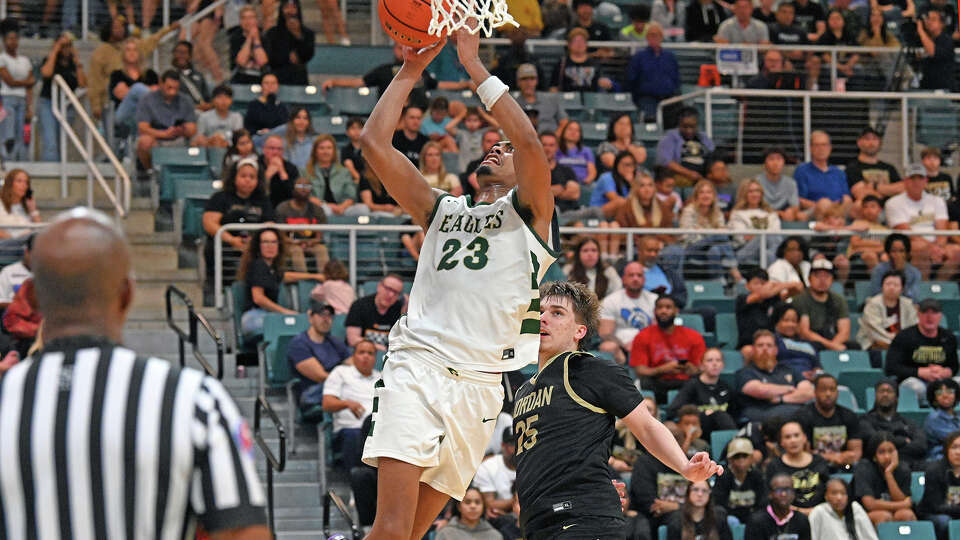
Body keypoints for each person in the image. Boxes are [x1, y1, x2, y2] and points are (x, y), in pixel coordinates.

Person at [355, 27, 561, 540]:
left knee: (413, 533)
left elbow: (532, 144)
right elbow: (374, 144)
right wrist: (409, 71)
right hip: (418, 365)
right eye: (494, 144)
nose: (498, 147)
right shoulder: (439, 208)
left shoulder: (532, 216)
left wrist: (475, 69)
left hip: (482, 386)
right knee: (391, 527)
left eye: (506, 149)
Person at [0, 209, 270, 538]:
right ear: (127, 294)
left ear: (36, 298)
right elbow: (244, 532)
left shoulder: (7, 400)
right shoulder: (193, 400)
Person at [518, 281, 722, 538]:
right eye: (540, 311)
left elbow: (646, 426)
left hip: (581, 521)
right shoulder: (523, 390)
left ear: (579, 331)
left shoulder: (590, 369)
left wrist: (684, 466)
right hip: (538, 523)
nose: (543, 318)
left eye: (557, 313)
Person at [236, 227, 324, 339]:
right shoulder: (259, 265)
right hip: (255, 317)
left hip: (267, 316)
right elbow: (258, 298)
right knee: (296, 325)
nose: (270, 246)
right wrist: (285, 312)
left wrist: (315, 276)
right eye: (265, 242)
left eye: (274, 242)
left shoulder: (271, 268)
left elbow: (285, 276)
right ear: (258, 246)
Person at [202, 157, 275, 291]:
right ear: (234, 177)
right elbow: (209, 223)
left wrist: (254, 241)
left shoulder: (263, 201)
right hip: (226, 245)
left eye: (252, 177)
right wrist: (231, 240)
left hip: (255, 245)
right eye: (243, 176)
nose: (247, 180)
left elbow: (269, 224)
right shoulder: (220, 198)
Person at [885, 163, 960, 281]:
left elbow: (942, 230)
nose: (916, 182)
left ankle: (939, 285)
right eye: (912, 178)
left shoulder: (937, 200)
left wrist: (938, 247)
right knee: (921, 249)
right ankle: (921, 289)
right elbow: (906, 233)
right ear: (905, 181)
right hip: (910, 243)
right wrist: (932, 248)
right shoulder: (893, 203)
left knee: (957, 251)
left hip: (936, 243)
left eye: (920, 178)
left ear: (926, 180)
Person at [631, 294, 707, 404]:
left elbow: (701, 369)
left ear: (676, 311)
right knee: (643, 382)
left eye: (668, 307)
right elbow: (640, 370)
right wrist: (662, 369)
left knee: (698, 381)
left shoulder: (693, 336)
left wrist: (690, 368)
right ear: (654, 311)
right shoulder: (643, 336)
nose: (663, 311)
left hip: (684, 382)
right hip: (657, 382)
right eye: (660, 307)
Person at [885, 298, 960, 404]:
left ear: (940, 316)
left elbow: (954, 366)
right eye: (925, 312)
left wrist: (946, 371)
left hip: (941, 381)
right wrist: (920, 372)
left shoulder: (948, 337)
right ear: (918, 315)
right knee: (917, 388)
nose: (929, 317)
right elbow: (891, 367)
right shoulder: (904, 336)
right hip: (913, 380)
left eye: (934, 313)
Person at [322, 338, 380, 471]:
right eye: (361, 352)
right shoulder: (340, 372)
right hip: (350, 429)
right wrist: (347, 404)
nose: (366, 356)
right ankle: (356, 483)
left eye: (370, 353)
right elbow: (327, 403)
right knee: (354, 436)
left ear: (375, 358)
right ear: (353, 356)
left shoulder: (382, 377)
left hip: (376, 430)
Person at [737, 330, 815, 422]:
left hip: (796, 415)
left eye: (769, 345)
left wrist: (781, 399)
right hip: (764, 416)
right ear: (753, 350)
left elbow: (809, 392)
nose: (765, 349)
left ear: (776, 350)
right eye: (760, 345)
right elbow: (760, 390)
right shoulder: (746, 372)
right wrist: (790, 389)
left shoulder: (789, 369)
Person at [677, 180, 741, 283]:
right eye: (702, 192)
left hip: (710, 249)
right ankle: (734, 269)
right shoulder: (689, 211)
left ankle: (718, 282)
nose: (705, 195)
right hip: (692, 248)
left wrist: (702, 231)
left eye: (709, 192)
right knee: (719, 236)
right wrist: (711, 235)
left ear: (713, 196)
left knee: (715, 250)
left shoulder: (717, 212)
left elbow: (721, 232)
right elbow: (687, 236)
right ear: (696, 196)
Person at [288, 299, 350, 404]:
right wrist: (350, 381)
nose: (326, 319)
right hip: (312, 391)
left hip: (337, 386)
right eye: (321, 314)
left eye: (329, 315)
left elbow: (354, 364)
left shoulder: (335, 342)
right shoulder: (299, 343)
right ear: (311, 318)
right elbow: (319, 376)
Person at [796, 374, 863, 470]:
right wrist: (832, 457)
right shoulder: (802, 416)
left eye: (832, 390)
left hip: (845, 465)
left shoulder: (849, 416)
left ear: (837, 392)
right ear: (815, 392)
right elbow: (804, 453)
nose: (828, 394)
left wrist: (839, 459)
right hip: (813, 467)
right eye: (823, 390)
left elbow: (856, 453)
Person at [666, 347, 738, 435]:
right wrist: (702, 414)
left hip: (721, 428)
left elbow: (735, 412)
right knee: (719, 415)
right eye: (709, 360)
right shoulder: (692, 385)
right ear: (701, 365)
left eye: (718, 360)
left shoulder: (726, 387)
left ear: (723, 365)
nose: (714, 364)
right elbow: (672, 411)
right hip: (700, 428)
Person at [135, 70, 197, 170]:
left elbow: (192, 128)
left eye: (176, 89)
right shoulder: (147, 100)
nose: (172, 92)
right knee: (144, 142)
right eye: (169, 88)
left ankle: (194, 173)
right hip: (156, 138)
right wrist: (164, 134)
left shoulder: (186, 100)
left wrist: (182, 130)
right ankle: (151, 171)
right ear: (161, 83)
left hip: (179, 138)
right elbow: (142, 128)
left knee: (200, 141)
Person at [859, 379, 928, 470]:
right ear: (875, 396)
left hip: (910, 465)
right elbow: (875, 441)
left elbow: (921, 445)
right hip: (877, 467)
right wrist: (903, 441)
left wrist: (889, 447)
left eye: (889, 391)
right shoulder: (865, 420)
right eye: (881, 391)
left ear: (897, 397)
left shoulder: (908, 423)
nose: (885, 394)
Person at [38, 32, 86, 162]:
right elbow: (46, 73)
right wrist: (55, 49)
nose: (65, 48)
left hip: (67, 106)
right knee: (51, 142)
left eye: (68, 45)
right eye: (63, 45)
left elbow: (82, 84)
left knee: (61, 143)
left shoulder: (73, 65)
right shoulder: (50, 60)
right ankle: (51, 171)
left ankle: (60, 171)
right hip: (48, 103)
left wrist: (77, 61)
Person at [765, 420, 831, 512]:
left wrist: (816, 512)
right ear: (781, 442)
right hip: (787, 516)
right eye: (788, 437)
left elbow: (828, 492)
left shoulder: (819, 461)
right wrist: (798, 512)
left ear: (804, 438)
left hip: (819, 515)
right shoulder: (774, 466)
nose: (793, 440)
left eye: (796, 435)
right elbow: (770, 498)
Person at [598, 262, 657, 363]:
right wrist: (623, 345)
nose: (635, 279)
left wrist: (639, 343)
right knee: (607, 346)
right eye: (631, 275)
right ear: (624, 279)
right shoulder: (611, 300)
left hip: (648, 345)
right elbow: (605, 333)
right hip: (621, 348)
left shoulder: (654, 300)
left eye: (639, 275)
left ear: (644, 279)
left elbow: (658, 330)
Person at [853, 431, 916, 526]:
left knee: (906, 514)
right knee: (883, 516)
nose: (887, 457)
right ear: (874, 455)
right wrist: (903, 504)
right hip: (863, 514)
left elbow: (900, 499)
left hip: (891, 511)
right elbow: (870, 504)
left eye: (891, 451)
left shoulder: (903, 469)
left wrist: (889, 474)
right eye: (881, 452)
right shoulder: (864, 468)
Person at [792, 258, 855, 352]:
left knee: (854, 346)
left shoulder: (838, 300)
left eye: (827, 276)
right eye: (817, 276)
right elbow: (804, 332)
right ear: (809, 279)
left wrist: (833, 345)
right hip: (812, 340)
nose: (822, 280)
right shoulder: (801, 299)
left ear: (832, 280)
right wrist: (830, 346)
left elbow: (844, 331)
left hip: (833, 338)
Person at [625, 22, 680, 119]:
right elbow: (631, 79)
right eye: (651, 35)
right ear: (647, 37)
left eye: (657, 35)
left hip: (668, 98)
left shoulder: (670, 57)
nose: (654, 37)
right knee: (650, 117)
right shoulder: (639, 57)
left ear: (662, 37)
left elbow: (676, 79)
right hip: (646, 98)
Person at [736, 268, 795, 357]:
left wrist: (778, 286)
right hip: (748, 344)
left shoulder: (772, 300)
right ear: (747, 286)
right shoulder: (742, 299)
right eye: (756, 283)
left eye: (763, 283)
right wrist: (776, 286)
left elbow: (797, 289)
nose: (760, 286)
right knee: (748, 351)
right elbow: (763, 294)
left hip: (771, 343)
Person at [793, 131, 852, 219]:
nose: (821, 148)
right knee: (824, 203)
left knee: (851, 202)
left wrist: (833, 207)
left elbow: (846, 197)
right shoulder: (802, 170)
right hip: (814, 210)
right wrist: (824, 205)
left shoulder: (839, 173)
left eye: (824, 145)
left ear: (830, 148)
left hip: (838, 210)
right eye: (817, 145)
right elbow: (800, 200)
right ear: (811, 148)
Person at [275, 179, 329, 273]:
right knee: (296, 251)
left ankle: (325, 280)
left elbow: (319, 237)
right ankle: (303, 282)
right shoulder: (283, 208)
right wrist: (295, 242)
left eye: (307, 187)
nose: (303, 189)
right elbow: (281, 236)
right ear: (293, 188)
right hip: (289, 244)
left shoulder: (317, 210)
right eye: (299, 186)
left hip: (311, 244)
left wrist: (309, 242)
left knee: (322, 249)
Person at [857, 270, 918, 351]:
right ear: (882, 286)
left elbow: (913, 327)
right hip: (876, 343)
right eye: (888, 284)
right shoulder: (872, 304)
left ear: (902, 289)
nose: (891, 288)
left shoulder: (908, 304)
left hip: (903, 344)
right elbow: (874, 331)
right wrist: (895, 342)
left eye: (896, 285)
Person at [344, 274, 405, 351]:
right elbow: (352, 340)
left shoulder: (399, 308)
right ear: (379, 286)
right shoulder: (359, 305)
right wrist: (379, 348)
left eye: (396, 292)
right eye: (388, 289)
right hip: (363, 354)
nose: (391, 295)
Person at [713, 438, 767, 526]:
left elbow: (763, 501)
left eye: (744, 456)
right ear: (730, 459)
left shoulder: (758, 476)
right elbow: (719, 502)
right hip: (730, 518)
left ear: (751, 458)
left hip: (753, 517)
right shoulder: (723, 476)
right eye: (737, 456)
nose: (741, 460)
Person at [656, 107, 715, 186]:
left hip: (703, 174)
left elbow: (713, 155)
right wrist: (689, 173)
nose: (689, 130)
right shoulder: (670, 137)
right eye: (685, 126)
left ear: (697, 125)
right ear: (679, 124)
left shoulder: (703, 137)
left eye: (692, 127)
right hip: (681, 174)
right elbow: (665, 161)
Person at [730, 179, 783, 266]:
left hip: (769, 251)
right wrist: (761, 236)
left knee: (768, 254)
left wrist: (754, 235)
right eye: (750, 191)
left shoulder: (771, 213)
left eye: (757, 191)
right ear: (744, 194)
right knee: (766, 236)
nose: (755, 194)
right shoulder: (737, 213)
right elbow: (741, 238)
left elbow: (777, 236)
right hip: (744, 252)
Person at [0, 20, 33, 162]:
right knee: (8, 133)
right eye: (9, 39)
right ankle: (6, 161)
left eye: (15, 39)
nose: (13, 42)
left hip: (22, 99)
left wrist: (29, 107)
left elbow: (31, 84)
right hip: (7, 98)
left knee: (21, 133)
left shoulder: (25, 60)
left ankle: (19, 161)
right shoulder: (2, 58)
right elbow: (10, 82)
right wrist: (25, 82)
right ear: (4, 41)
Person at [918, 430, 960, 540]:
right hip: (932, 513)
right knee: (944, 521)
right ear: (946, 450)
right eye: (954, 447)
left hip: (954, 510)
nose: (958, 452)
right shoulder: (934, 470)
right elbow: (936, 506)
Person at [304, 134, 358, 218]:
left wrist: (342, 207)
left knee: (363, 209)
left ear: (334, 151)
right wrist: (327, 205)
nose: (326, 152)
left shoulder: (344, 172)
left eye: (329, 148)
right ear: (315, 151)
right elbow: (306, 196)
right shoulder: (305, 172)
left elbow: (351, 196)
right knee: (325, 211)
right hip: (319, 207)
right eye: (321, 148)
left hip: (342, 208)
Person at [744, 473, 812, 539]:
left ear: (793, 493)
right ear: (770, 494)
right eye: (779, 490)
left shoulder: (801, 520)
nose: (784, 494)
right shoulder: (756, 521)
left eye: (787, 489)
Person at [846, 126, 904, 202]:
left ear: (880, 143)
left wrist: (875, 186)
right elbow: (861, 194)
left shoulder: (889, 168)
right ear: (859, 142)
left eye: (875, 139)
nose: (871, 143)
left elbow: (902, 188)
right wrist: (889, 191)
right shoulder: (852, 168)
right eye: (867, 139)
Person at [263, 0, 315, 85]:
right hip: (277, 79)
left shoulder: (307, 34)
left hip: (299, 79)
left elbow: (308, 55)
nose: (290, 11)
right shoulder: (272, 33)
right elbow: (270, 57)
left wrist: (298, 35)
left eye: (293, 7)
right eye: (286, 7)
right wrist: (287, 57)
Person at [810, 478, 879, 539]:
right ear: (826, 496)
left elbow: (870, 537)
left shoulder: (855, 508)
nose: (839, 498)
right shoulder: (819, 511)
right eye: (834, 493)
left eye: (843, 493)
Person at [549, 28, 613, 93]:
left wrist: (605, 83)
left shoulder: (594, 63)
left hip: (591, 100)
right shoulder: (562, 64)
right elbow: (553, 87)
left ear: (586, 44)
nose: (579, 44)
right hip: (567, 101)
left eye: (582, 41)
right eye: (575, 41)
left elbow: (602, 82)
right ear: (569, 45)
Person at [473, 428, 518, 519]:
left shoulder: (530, 464)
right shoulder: (487, 467)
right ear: (503, 446)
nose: (517, 449)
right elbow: (490, 504)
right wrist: (518, 499)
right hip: (497, 520)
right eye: (513, 444)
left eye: (520, 444)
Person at [667, 481, 733, 540]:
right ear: (688, 493)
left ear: (709, 495)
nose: (700, 494)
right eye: (695, 489)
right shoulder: (676, 519)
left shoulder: (719, 516)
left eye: (704, 491)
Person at [513, 63, 567, 134]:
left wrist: (555, 139)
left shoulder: (551, 99)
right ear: (518, 82)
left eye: (532, 79)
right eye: (524, 79)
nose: (528, 83)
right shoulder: (513, 104)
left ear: (537, 81)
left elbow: (564, 122)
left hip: (550, 141)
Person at [772, 304, 821, 380]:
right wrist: (798, 375)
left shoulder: (809, 344)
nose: (790, 324)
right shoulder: (773, 341)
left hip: (811, 381)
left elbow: (817, 367)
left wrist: (815, 375)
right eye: (786, 320)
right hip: (786, 380)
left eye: (794, 321)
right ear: (777, 323)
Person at [565, 236, 622, 300]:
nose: (590, 254)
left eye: (594, 250)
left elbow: (617, 292)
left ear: (599, 253)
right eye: (585, 250)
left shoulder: (609, 271)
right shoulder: (569, 270)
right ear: (578, 254)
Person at [867, 234, 922, 300]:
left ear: (907, 253)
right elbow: (875, 292)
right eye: (894, 251)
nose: (898, 255)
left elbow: (914, 295)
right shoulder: (879, 270)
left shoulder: (914, 272)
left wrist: (901, 272)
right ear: (888, 253)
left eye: (901, 251)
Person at [435, 487, 504, 540]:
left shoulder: (495, 536)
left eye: (477, 502)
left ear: (483, 506)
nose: (473, 506)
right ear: (459, 506)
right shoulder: (445, 534)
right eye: (467, 502)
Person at [758, 147, 806, 222]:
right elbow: (755, 206)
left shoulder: (790, 183)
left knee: (800, 216)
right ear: (764, 163)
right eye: (771, 159)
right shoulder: (757, 182)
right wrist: (779, 213)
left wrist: (791, 211)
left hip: (784, 216)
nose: (775, 163)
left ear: (784, 162)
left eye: (779, 159)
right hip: (763, 215)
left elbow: (795, 206)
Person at [230, 5, 269, 84]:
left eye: (251, 17)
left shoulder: (265, 38)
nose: (248, 21)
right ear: (240, 22)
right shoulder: (235, 38)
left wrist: (256, 39)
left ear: (256, 20)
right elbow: (241, 62)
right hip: (240, 79)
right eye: (244, 18)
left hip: (261, 79)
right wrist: (249, 39)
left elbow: (262, 62)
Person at [917, 9, 955, 91]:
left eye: (933, 19)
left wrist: (920, 31)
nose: (929, 22)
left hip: (942, 89)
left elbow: (933, 52)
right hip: (926, 87)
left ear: (942, 24)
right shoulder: (924, 39)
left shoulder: (946, 40)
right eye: (928, 19)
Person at [260, 134, 301, 208]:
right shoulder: (256, 165)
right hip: (261, 206)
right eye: (272, 148)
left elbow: (296, 195)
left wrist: (282, 173)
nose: (275, 152)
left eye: (279, 149)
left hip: (286, 208)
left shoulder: (291, 168)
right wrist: (267, 176)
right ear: (264, 149)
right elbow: (253, 192)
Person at [924, 379, 960, 460]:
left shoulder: (957, 416)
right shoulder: (933, 418)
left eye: (950, 391)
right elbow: (954, 439)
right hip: (940, 457)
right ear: (934, 398)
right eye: (939, 393)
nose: (945, 395)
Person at [0, 168, 40, 239]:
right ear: (10, 184)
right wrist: (15, 239)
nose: (24, 185)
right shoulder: (1, 204)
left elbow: (39, 230)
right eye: (19, 181)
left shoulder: (25, 207)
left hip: (26, 244)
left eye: (26, 182)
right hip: (7, 245)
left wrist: (33, 211)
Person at [244, 73, 288, 137]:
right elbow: (248, 127)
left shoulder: (282, 107)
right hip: (258, 138)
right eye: (266, 83)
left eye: (273, 83)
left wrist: (272, 132)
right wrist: (259, 132)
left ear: (277, 86)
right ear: (261, 86)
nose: (270, 86)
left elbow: (285, 128)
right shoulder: (253, 105)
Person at [170, 40, 210, 109]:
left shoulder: (199, 76)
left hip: (202, 113)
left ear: (190, 56)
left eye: (184, 53)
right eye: (178, 52)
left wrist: (208, 105)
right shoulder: (169, 76)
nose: (180, 55)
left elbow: (207, 98)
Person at [556, 121, 597, 185]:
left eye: (577, 130)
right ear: (563, 132)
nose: (573, 132)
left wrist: (584, 182)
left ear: (580, 135)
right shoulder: (556, 150)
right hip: (560, 183)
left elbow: (592, 172)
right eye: (570, 129)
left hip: (581, 184)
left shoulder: (586, 151)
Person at [0, 232, 31, 311]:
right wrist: (19, 305)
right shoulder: (8, 271)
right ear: (27, 252)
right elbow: (1, 300)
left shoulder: (50, 271)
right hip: (13, 314)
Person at [342, 117, 367, 182]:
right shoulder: (345, 150)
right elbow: (348, 167)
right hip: (352, 180)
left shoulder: (369, 149)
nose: (356, 131)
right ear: (347, 132)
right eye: (353, 128)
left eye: (359, 128)